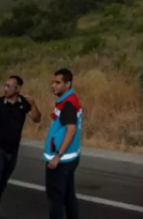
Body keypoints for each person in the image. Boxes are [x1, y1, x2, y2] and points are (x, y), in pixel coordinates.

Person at [0, 75, 41, 219]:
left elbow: (37, 118)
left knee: (1, 186)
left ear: (18, 88)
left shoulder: (23, 104)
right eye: (5, 85)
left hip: (12, 151)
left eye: (9, 86)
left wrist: (33, 104)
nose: (6, 89)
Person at [44, 68, 82, 219]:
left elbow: (71, 130)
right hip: (69, 158)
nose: (54, 85)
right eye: (53, 82)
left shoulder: (68, 103)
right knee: (68, 196)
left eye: (58, 82)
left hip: (62, 160)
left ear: (68, 84)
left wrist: (57, 156)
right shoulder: (67, 100)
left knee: (56, 200)